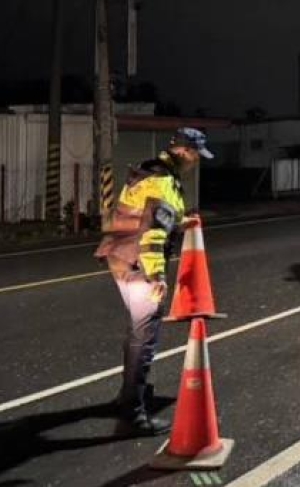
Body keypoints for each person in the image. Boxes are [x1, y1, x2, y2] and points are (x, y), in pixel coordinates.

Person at [93, 127, 213, 434]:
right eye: (196, 154)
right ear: (184, 151)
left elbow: (148, 215)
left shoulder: (148, 170)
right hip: (139, 262)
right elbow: (151, 234)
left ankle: (130, 395)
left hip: (121, 254)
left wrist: (180, 222)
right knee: (144, 336)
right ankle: (133, 415)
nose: (197, 161)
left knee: (138, 330)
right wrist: (157, 276)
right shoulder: (163, 181)